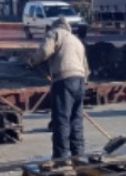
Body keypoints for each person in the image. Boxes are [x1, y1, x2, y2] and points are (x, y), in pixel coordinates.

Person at [28, 17, 90, 160]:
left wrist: (32, 60)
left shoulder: (55, 33)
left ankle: (61, 157)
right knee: (76, 119)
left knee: (61, 119)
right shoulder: (76, 40)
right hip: (80, 81)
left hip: (63, 80)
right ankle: (78, 153)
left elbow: (45, 51)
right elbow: (85, 67)